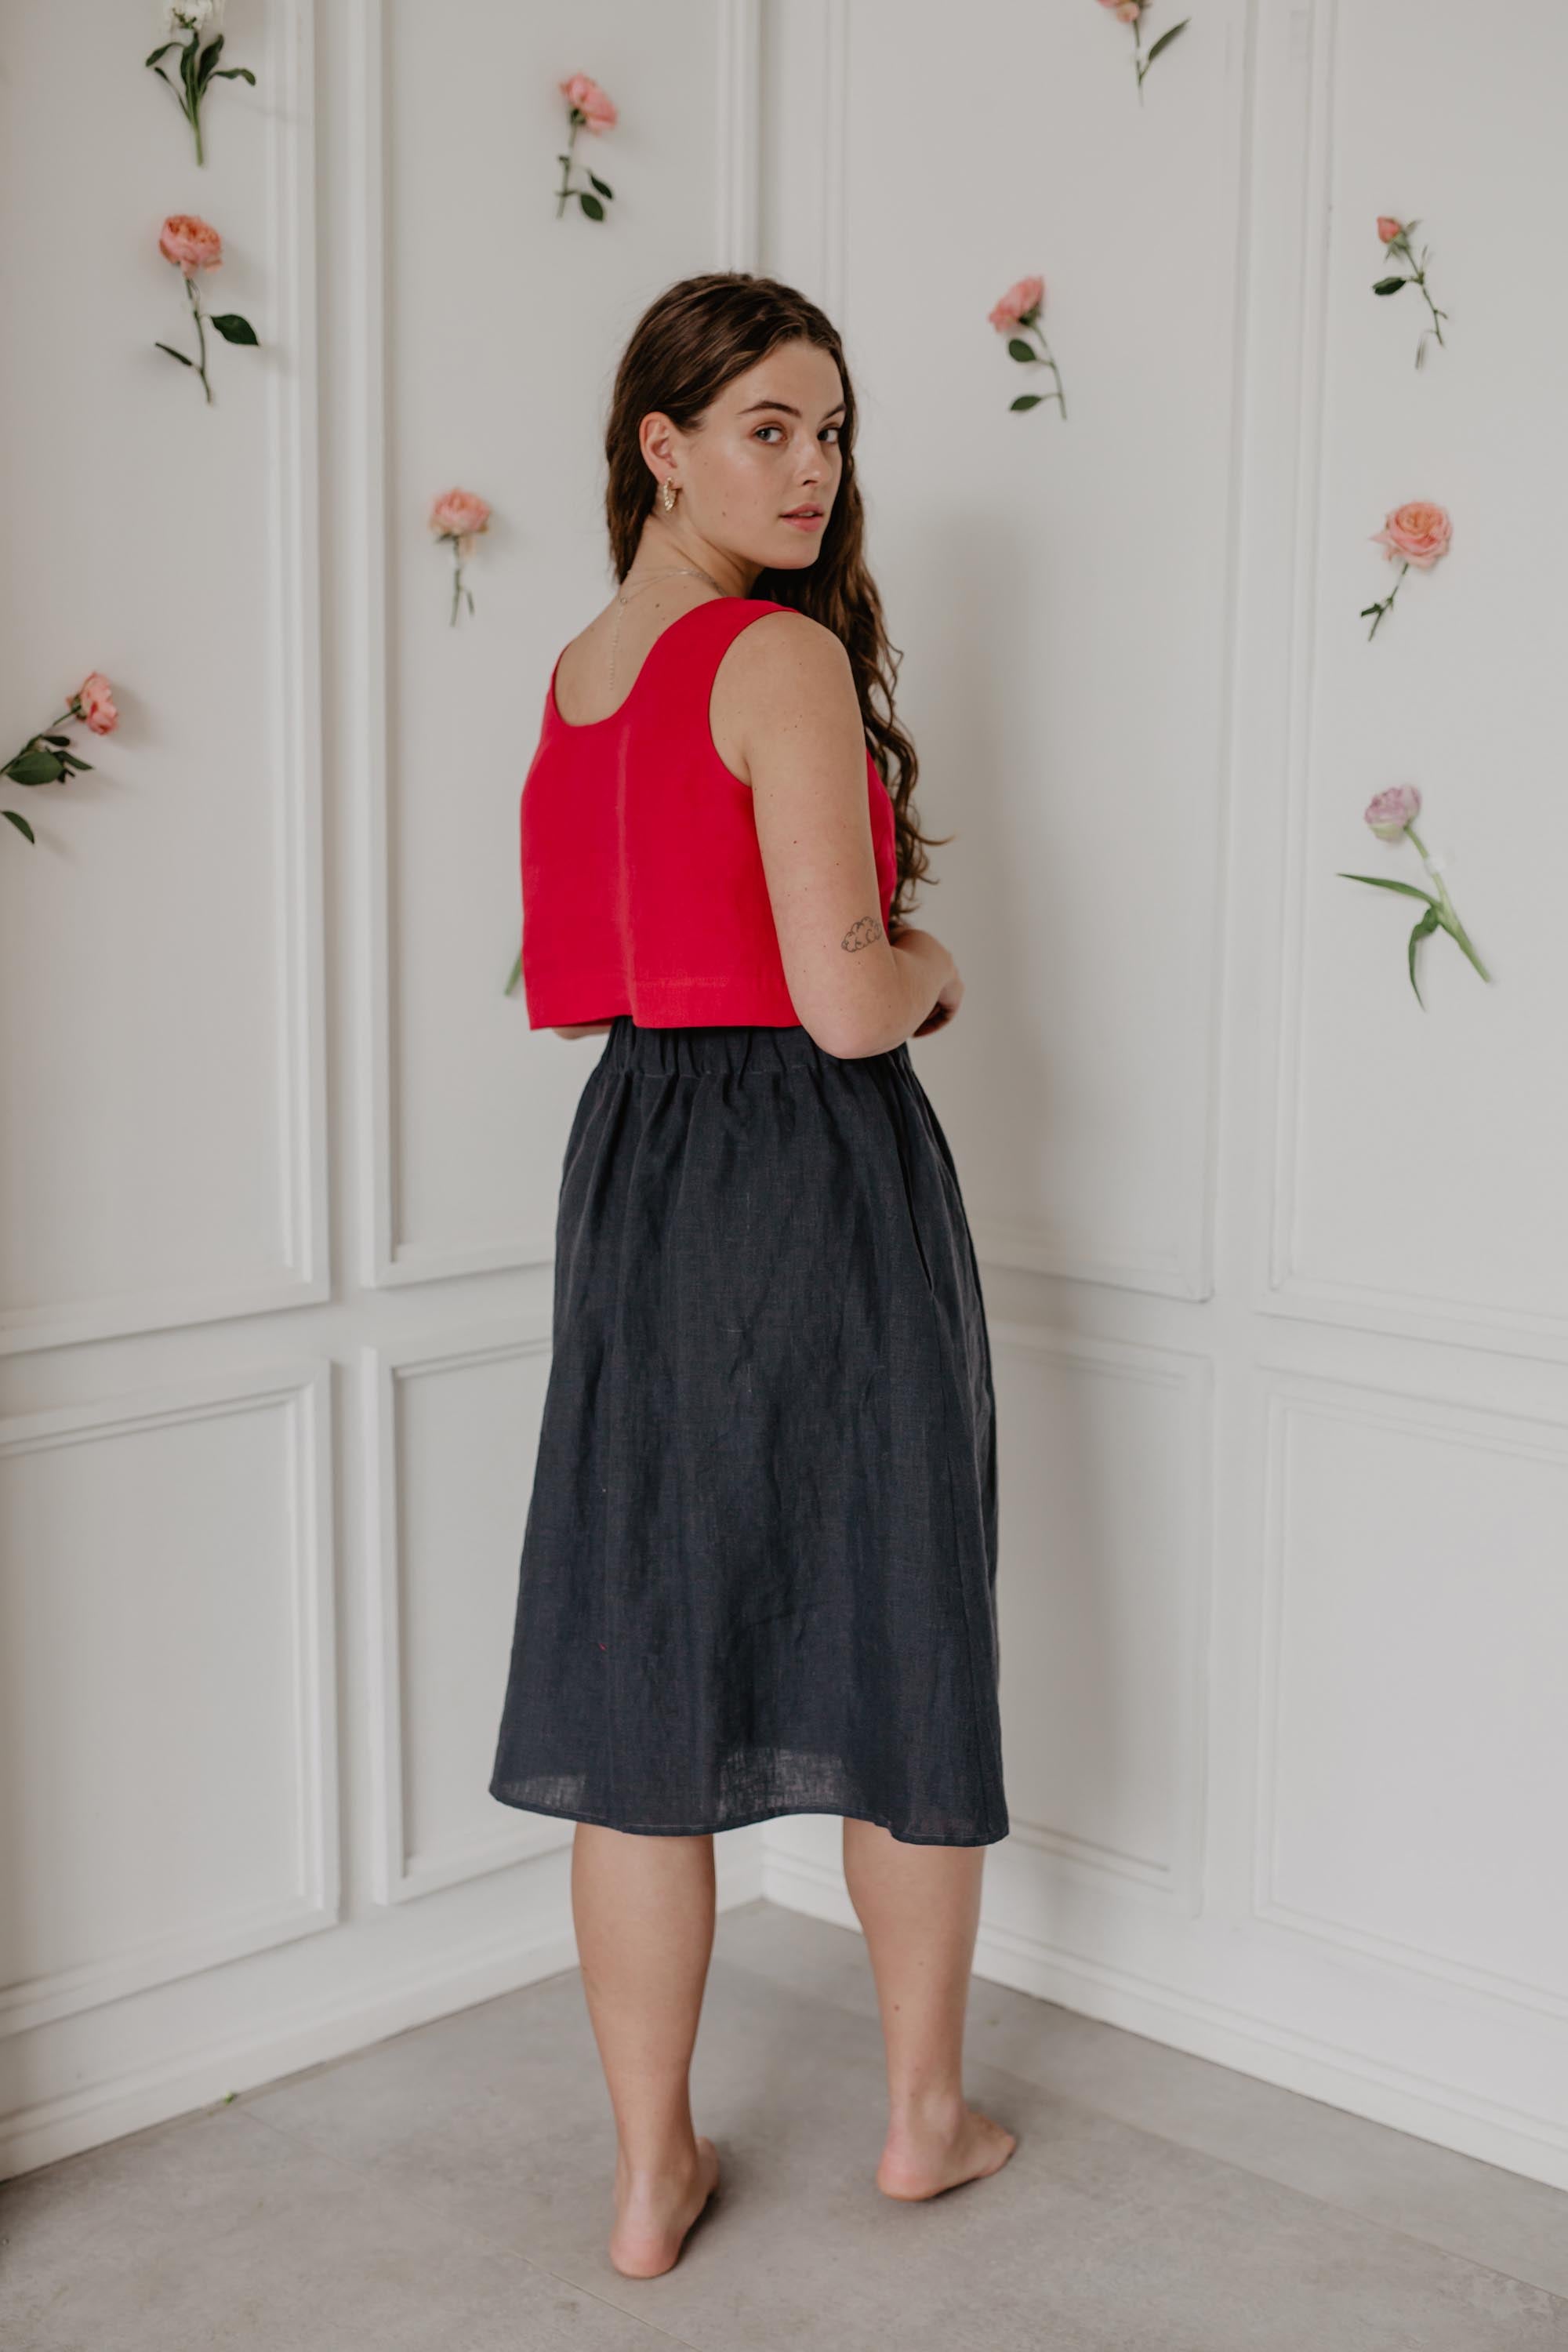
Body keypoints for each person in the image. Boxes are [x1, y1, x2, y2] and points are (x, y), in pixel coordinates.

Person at [489, 271, 1014, 2281]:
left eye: (831, 433)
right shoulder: (770, 661)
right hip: (810, 1165)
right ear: (665, 444)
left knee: (643, 1665)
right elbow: (848, 1005)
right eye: (770, 427)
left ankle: (645, 2179)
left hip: (636, 1173)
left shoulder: (580, 672)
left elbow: (575, 979)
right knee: (895, 1625)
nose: (811, 469)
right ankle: (921, 2120)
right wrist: (937, 966)